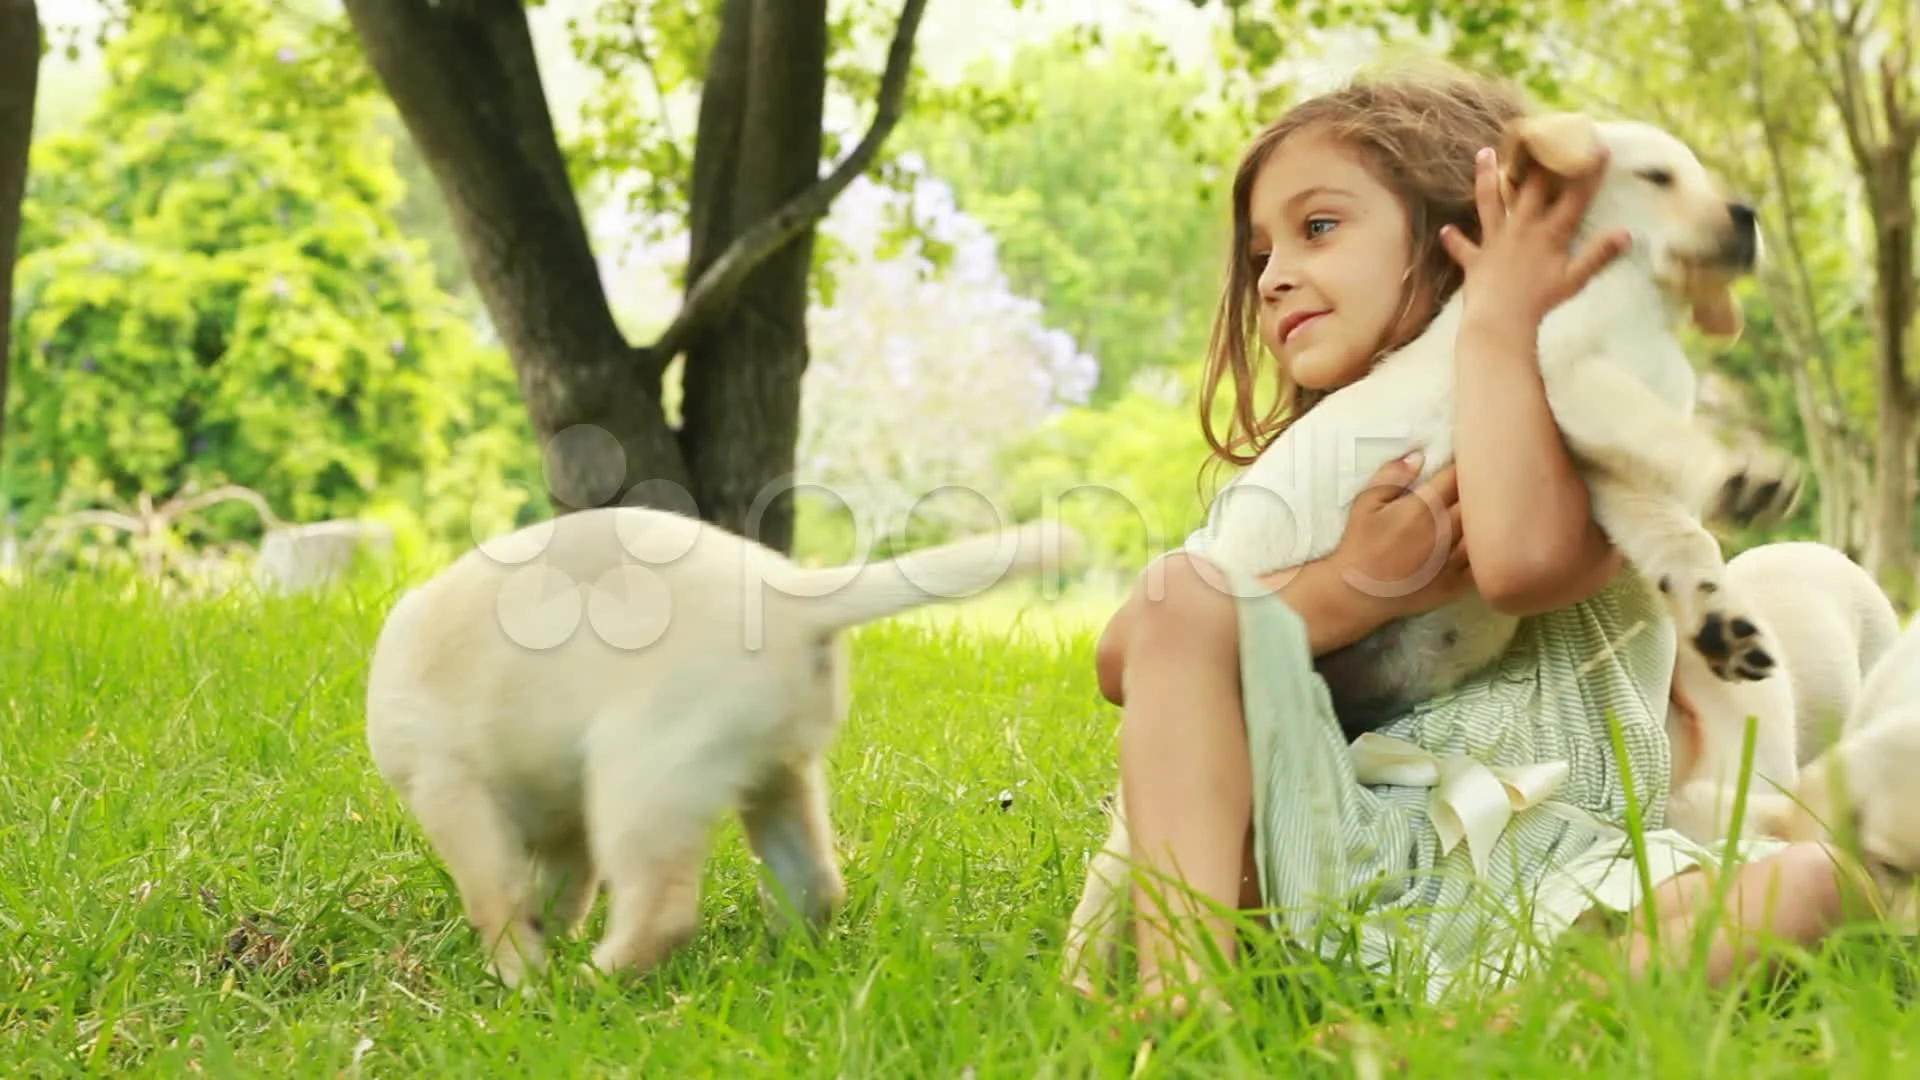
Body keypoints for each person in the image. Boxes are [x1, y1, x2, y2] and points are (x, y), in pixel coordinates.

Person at [1091, 66, 1871, 1017]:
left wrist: (1498, 326)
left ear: (1475, 227)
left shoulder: (1602, 453)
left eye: (1319, 227)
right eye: (1260, 254)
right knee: (1187, 593)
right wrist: (1350, 587)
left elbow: (1517, 562)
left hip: (1573, 864)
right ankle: (1186, 1001)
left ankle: (1508, 1019)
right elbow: (1130, 652)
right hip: (1349, 846)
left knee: (1822, 882)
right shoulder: (1319, 472)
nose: (1274, 275)